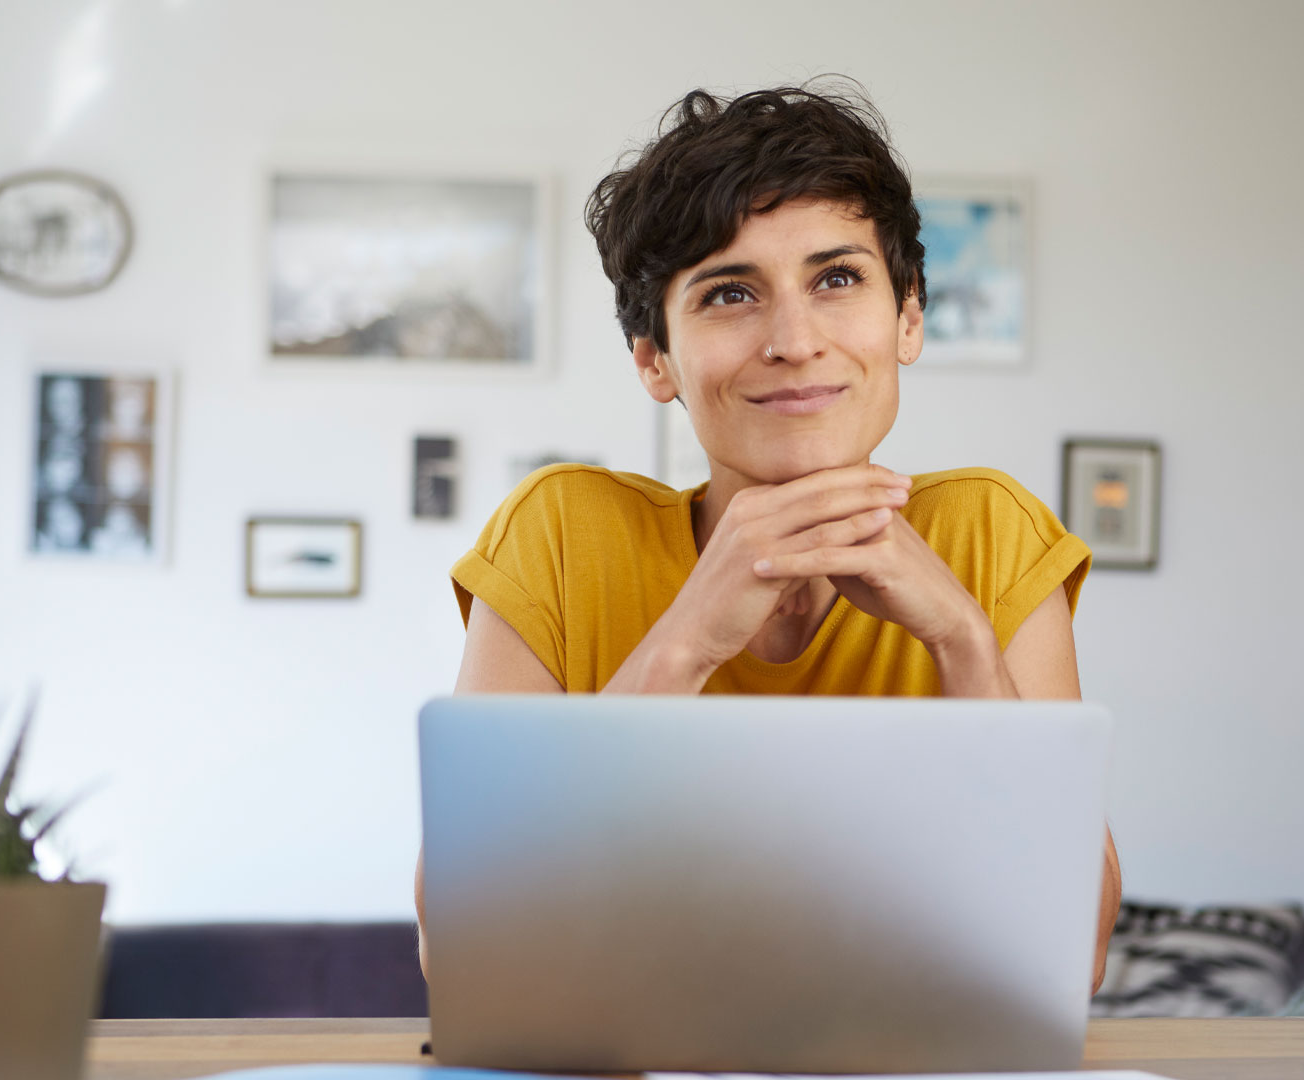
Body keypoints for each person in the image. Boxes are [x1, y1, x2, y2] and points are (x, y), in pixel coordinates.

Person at [418, 81, 1121, 991]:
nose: (794, 339)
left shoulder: (990, 533)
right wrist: (685, 643)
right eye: (729, 293)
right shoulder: (560, 534)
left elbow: (1076, 955)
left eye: (837, 279)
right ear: (654, 358)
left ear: (907, 317)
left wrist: (962, 641)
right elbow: (465, 948)